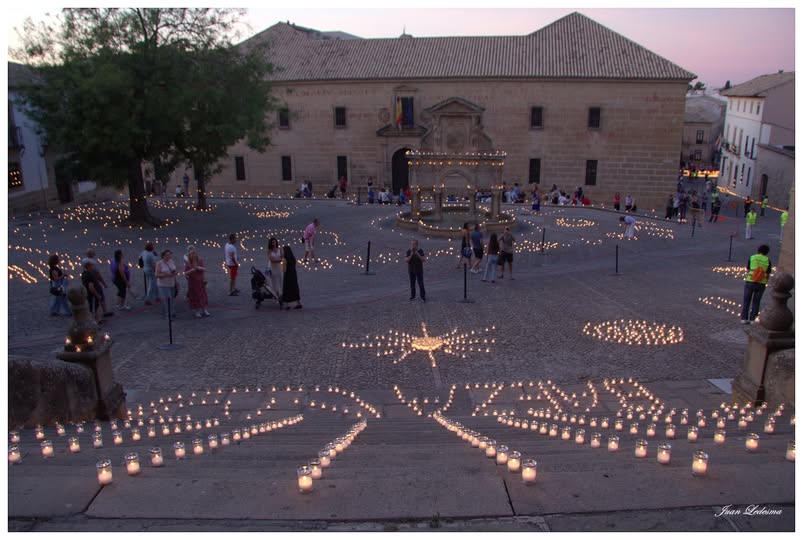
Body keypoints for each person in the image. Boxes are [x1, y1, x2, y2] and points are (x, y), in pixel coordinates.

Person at [740, 244, 771, 324]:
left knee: (746, 300)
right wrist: (765, 281)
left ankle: (744, 319)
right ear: (767, 252)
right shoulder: (767, 260)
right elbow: (768, 273)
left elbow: (748, 268)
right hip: (761, 283)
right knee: (756, 301)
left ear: (758, 250)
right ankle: (753, 319)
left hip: (750, 281)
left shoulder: (752, 257)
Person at [84, 248, 113, 318]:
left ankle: (95, 315)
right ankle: (102, 313)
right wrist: (104, 283)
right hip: (94, 282)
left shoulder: (84, 261)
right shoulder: (93, 263)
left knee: (91, 301)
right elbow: (98, 274)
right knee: (99, 297)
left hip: (86, 282)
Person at [185, 248, 210, 318]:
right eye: (192, 255)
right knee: (195, 296)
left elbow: (204, 269)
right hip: (193, 282)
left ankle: (204, 309)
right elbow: (186, 273)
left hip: (200, 281)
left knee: (202, 295)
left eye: (195, 254)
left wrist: (200, 268)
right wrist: (192, 270)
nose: (194, 256)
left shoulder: (200, 261)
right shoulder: (188, 264)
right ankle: (197, 311)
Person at [155, 249, 179, 319]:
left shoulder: (171, 261)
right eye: (167, 255)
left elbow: (174, 270)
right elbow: (156, 275)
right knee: (166, 300)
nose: (169, 256)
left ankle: (172, 311)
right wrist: (167, 275)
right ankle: (167, 314)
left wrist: (175, 274)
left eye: (169, 255)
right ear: (163, 256)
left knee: (171, 299)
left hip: (171, 283)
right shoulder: (159, 263)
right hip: (163, 285)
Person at [81, 260, 104, 325]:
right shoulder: (90, 275)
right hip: (92, 294)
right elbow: (91, 287)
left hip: (88, 294)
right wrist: (97, 295)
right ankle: (93, 322)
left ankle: (98, 320)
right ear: (89, 266)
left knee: (93, 307)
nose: (93, 266)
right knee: (93, 308)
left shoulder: (83, 274)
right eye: (92, 265)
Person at [281, 245, 303, 309]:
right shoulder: (293, 258)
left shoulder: (285, 260)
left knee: (287, 289)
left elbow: (283, 270)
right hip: (293, 275)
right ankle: (298, 303)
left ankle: (287, 305)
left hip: (287, 276)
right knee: (295, 289)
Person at [267, 237, 284, 302]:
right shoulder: (269, 250)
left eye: (275, 242)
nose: (274, 243)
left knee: (280, 280)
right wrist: (279, 260)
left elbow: (282, 257)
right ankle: (275, 295)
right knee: (274, 282)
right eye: (272, 242)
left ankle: (280, 294)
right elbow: (271, 260)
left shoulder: (280, 249)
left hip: (279, 267)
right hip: (272, 267)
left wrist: (280, 260)